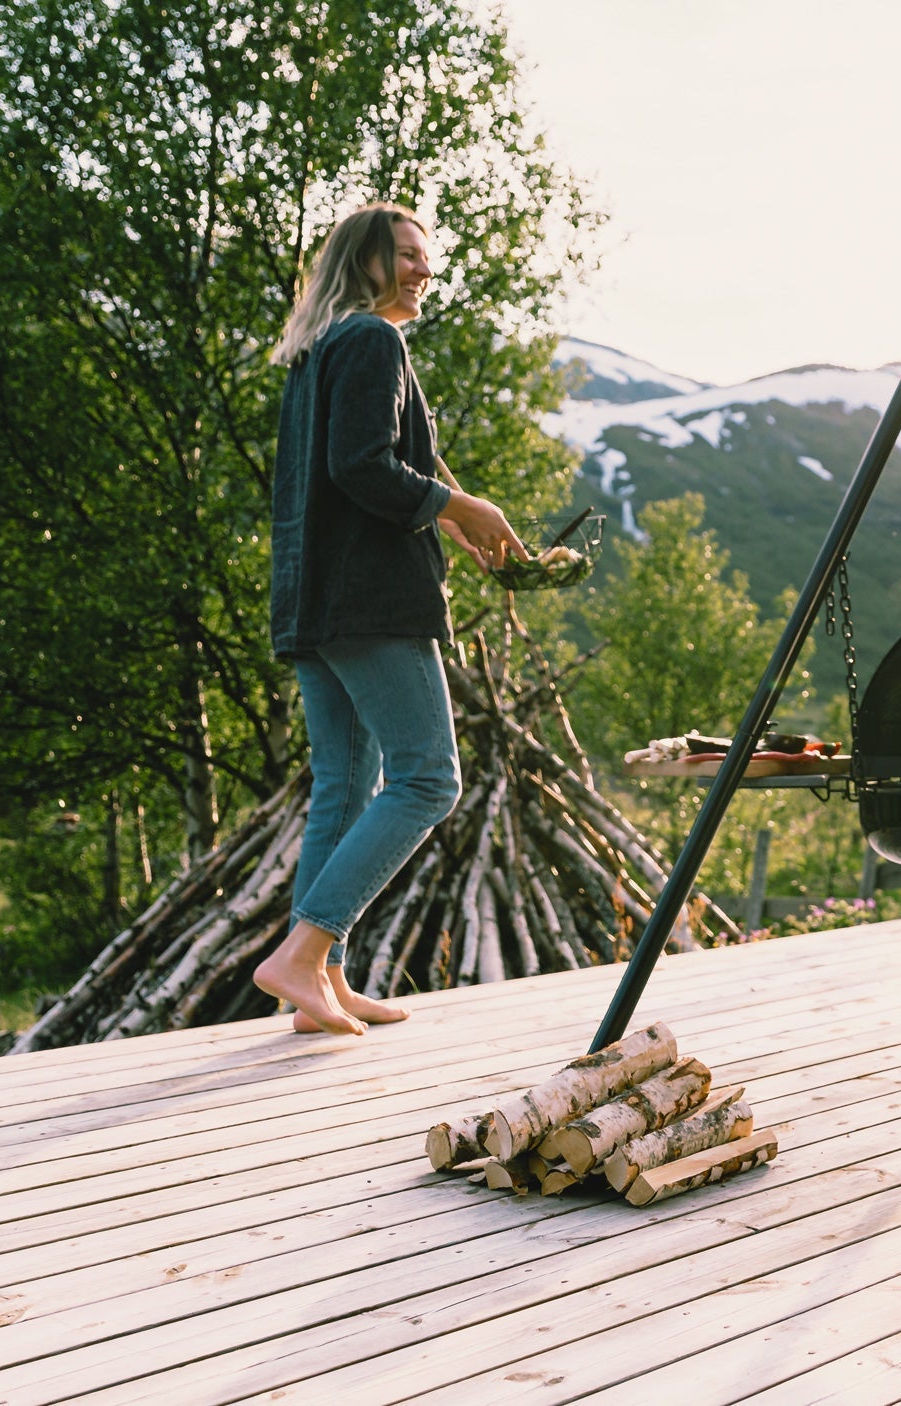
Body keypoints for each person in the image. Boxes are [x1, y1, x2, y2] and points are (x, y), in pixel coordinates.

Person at [253, 203, 527, 1035]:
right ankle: (302, 953)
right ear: (361, 260)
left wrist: (450, 512)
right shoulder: (371, 339)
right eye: (404, 254)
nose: (422, 269)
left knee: (345, 783)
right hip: (371, 602)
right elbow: (363, 467)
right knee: (426, 778)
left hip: (314, 602)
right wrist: (460, 505)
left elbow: (342, 477)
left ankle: (322, 982)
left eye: (426, 257)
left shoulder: (315, 350)